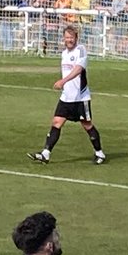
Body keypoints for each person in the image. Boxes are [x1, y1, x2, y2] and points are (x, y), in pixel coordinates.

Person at [28, 25, 106, 165]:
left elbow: (79, 68)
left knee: (87, 125)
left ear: (76, 38)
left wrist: (63, 81)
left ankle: (99, 153)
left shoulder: (80, 50)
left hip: (80, 97)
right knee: (56, 122)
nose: (69, 40)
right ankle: (46, 153)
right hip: (66, 97)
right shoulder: (64, 53)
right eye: (67, 37)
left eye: (71, 37)